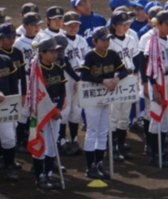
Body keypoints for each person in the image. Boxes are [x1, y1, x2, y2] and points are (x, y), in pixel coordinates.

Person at [80, 27, 128, 179]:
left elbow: (124, 70)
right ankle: (90, 166)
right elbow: (84, 75)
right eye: (103, 40)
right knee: (92, 131)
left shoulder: (112, 54)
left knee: (103, 132)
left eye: (108, 39)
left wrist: (117, 78)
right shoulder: (90, 55)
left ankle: (99, 163)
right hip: (92, 99)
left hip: (107, 97)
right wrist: (103, 81)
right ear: (94, 41)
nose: (106, 42)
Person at [144, 10, 168, 167]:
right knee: (157, 119)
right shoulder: (153, 42)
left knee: (165, 119)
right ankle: (154, 155)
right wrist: (154, 89)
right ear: (158, 25)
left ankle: (161, 151)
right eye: (167, 24)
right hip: (158, 80)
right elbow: (149, 68)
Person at [31, 37, 66, 189]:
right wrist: (52, 110)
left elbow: (63, 91)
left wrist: (57, 108)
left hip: (55, 111)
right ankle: (40, 177)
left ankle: (49, 174)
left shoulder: (58, 68)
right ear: (42, 53)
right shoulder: (36, 71)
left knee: (52, 144)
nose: (55, 54)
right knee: (40, 142)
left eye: (56, 51)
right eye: (51, 52)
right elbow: (36, 94)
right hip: (40, 112)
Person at [108, 11, 140, 161]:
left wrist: (137, 75)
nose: (126, 26)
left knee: (124, 116)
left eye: (128, 23)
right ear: (113, 25)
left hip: (129, 79)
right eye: (122, 24)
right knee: (113, 115)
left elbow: (136, 58)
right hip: (115, 80)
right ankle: (111, 148)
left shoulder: (131, 39)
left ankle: (120, 145)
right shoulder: (109, 41)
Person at [58, 11, 89, 156]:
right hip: (66, 77)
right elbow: (64, 63)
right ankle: (61, 140)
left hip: (80, 76)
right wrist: (78, 79)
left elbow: (86, 60)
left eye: (76, 25)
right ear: (63, 25)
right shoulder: (59, 39)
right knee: (65, 108)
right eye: (70, 25)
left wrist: (82, 77)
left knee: (76, 110)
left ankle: (74, 139)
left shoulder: (82, 40)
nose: (74, 28)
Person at [14, 12, 43, 153]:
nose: (36, 28)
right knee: (24, 110)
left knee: (37, 109)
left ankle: (30, 137)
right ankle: (19, 141)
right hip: (25, 78)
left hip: (39, 78)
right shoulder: (18, 43)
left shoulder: (42, 39)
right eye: (33, 25)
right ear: (24, 26)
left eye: (38, 25)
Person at [0, 24, 21, 182]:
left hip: (5, 107)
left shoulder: (6, 60)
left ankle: (9, 166)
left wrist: (15, 103)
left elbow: (13, 85)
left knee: (8, 138)